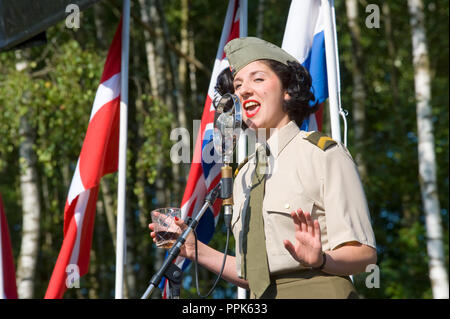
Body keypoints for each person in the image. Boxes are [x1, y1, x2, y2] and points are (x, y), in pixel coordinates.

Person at [149, 37, 377, 299]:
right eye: (238, 85)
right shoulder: (244, 175)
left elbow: (364, 254)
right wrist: (193, 248)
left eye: (257, 79)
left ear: (287, 91)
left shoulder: (323, 154)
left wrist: (321, 259)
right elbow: (252, 274)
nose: (244, 91)